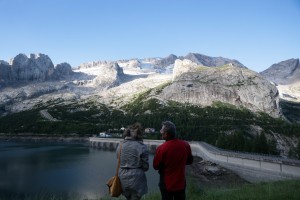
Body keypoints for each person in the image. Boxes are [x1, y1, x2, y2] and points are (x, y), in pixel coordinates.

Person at [153, 121, 193, 200]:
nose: (161, 132)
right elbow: (189, 161)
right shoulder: (185, 145)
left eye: (162, 131)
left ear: (167, 134)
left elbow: (156, 166)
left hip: (166, 183)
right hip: (181, 182)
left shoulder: (161, 148)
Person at [117, 122, 149, 200]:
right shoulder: (142, 146)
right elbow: (145, 167)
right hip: (137, 179)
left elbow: (119, 160)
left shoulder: (120, 145)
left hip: (123, 177)